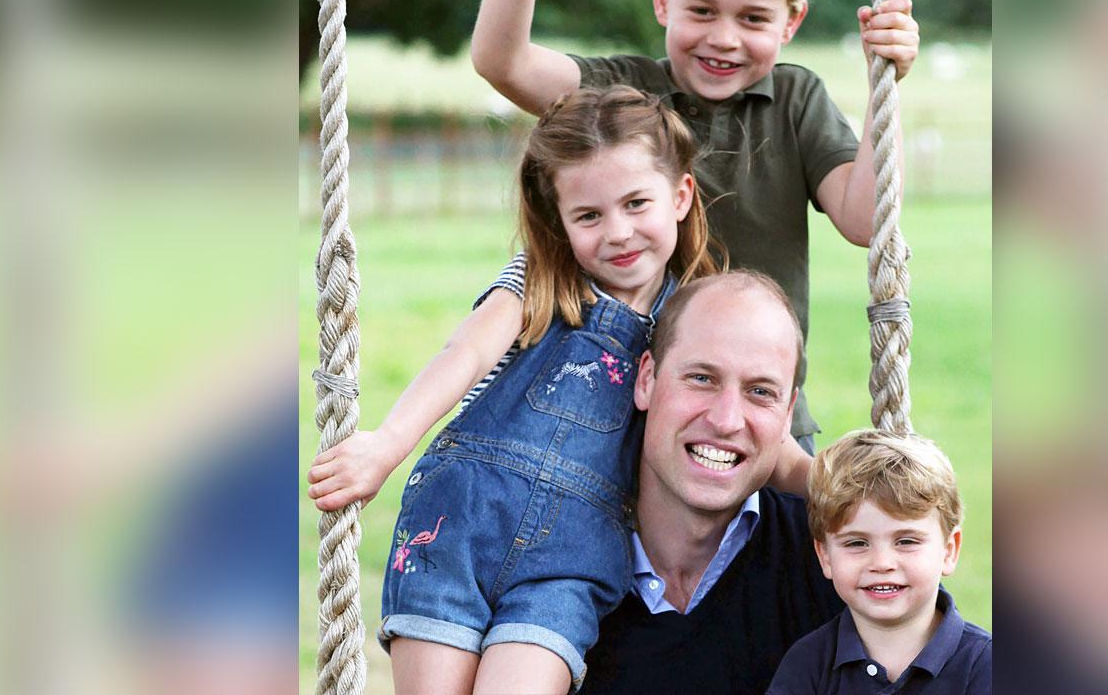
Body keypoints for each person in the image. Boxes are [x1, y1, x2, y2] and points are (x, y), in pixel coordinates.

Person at [306, 86, 809, 694]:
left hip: (571, 561)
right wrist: (385, 446)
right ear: (559, 220)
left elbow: (763, 443)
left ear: (680, 196)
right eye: (589, 216)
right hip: (462, 521)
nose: (618, 233)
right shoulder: (540, 283)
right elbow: (463, 357)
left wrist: (849, 481)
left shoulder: (694, 318)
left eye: (635, 204)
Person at [472, 0, 922, 452]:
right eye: (703, 10)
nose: (725, 39)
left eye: (754, 19)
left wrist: (883, 85)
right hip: (622, 423)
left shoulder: (795, 101)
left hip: (763, 422)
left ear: (791, 23)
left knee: (785, 546)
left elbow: (866, 219)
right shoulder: (625, 94)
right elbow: (503, 61)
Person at [579, 271, 845, 695]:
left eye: (760, 392)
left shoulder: (839, 563)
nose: (725, 420)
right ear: (647, 380)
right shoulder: (551, 559)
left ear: (788, 413)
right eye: (702, 378)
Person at [767, 430, 991, 694]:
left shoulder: (986, 666)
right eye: (857, 543)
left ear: (949, 550)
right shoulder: (808, 664)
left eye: (906, 541)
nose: (882, 563)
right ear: (824, 556)